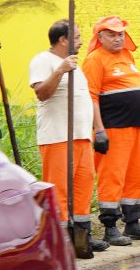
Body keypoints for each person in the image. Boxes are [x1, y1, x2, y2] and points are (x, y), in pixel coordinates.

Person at [28, 19, 108, 253]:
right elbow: (42, 94)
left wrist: (96, 129)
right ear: (63, 40)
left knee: (83, 187)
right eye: (77, 37)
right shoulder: (43, 60)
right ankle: (60, 241)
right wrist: (60, 70)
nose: (82, 42)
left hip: (81, 137)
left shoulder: (74, 64)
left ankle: (82, 238)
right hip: (58, 137)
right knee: (59, 190)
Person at [81, 16, 140, 244]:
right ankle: (110, 227)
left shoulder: (127, 55)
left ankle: (133, 223)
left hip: (133, 127)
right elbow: (91, 97)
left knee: (135, 176)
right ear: (100, 37)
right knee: (111, 177)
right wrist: (99, 130)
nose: (118, 39)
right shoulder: (95, 60)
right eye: (112, 35)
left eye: (120, 34)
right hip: (112, 129)